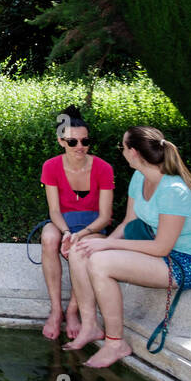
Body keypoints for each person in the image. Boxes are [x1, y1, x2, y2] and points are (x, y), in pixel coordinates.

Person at [64, 126, 191, 368]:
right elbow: (129, 222)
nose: (122, 152)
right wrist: (104, 243)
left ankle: (115, 343)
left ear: (134, 152)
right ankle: (90, 326)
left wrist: (106, 248)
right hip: (166, 252)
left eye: (123, 147)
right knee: (82, 248)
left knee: (99, 261)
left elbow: (161, 248)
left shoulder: (174, 191)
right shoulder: (140, 177)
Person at [39, 105, 114, 341]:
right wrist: (66, 232)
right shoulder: (51, 166)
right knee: (49, 238)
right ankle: (56, 310)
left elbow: (105, 216)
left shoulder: (103, 168)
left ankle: (73, 311)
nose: (80, 147)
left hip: (93, 225)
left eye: (85, 141)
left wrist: (79, 236)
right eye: (73, 142)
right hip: (64, 221)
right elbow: (54, 210)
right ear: (61, 141)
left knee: (80, 249)